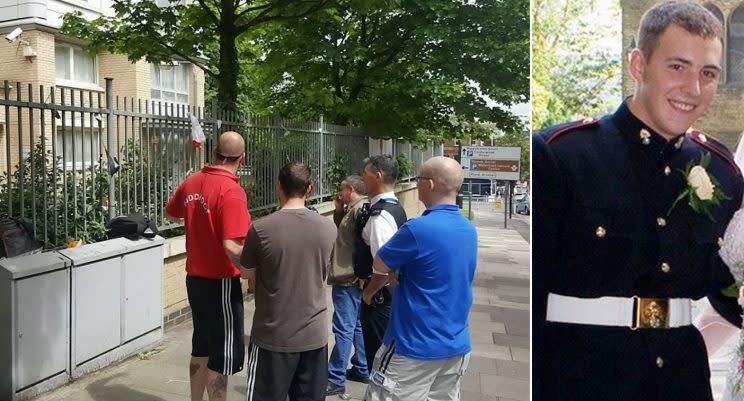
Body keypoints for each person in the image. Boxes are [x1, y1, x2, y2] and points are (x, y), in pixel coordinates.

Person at [533, 2, 744, 400]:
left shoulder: (722, 173)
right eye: (677, 67)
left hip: (683, 383)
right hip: (582, 380)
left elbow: (728, 285)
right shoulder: (562, 156)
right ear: (638, 65)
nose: (694, 90)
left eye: (709, 73)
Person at [362, 156, 477, 401]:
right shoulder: (468, 229)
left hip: (413, 345)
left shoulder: (417, 229)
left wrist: (395, 273)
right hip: (455, 346)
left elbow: (380, 263)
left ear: (430, 185)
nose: (417, 184)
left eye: (419, 179)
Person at [164, 131, 251, 401]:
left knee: (200, 345)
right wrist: (252, 272)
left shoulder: (192, 182)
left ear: (214, 154)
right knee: (222, 354)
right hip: (221, 281)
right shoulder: (232, 191)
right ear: (242, 158)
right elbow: (231, 246)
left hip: (195, 280)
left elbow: (171, 211)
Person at [240, 162, 337, 401]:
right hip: (314, 337)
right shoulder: (328, 228)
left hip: (273, 336)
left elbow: (246, 272)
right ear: (310, 188)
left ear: (279, 187)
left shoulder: (260, 229)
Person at [355, 154, 408, 372]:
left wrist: (368, 293)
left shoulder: (380, 216)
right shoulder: (395, 208)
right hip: (387, 299)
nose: (362, 179)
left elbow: (384, 266)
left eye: (365, 174)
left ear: (377, 176)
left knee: (378, 365)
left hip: (379, 301)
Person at [326, 175, 370, 396]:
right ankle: (362, 366)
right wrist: (337, 209)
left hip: (347, 276)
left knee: (343, 327)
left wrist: (360, 272)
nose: (340, 193)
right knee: (355, 325)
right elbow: (344, 236)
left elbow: (363, 244)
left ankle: (335, 377)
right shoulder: (353, 209)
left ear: (350, 189)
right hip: (351, 276)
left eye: (342, 190)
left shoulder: (359, 210)